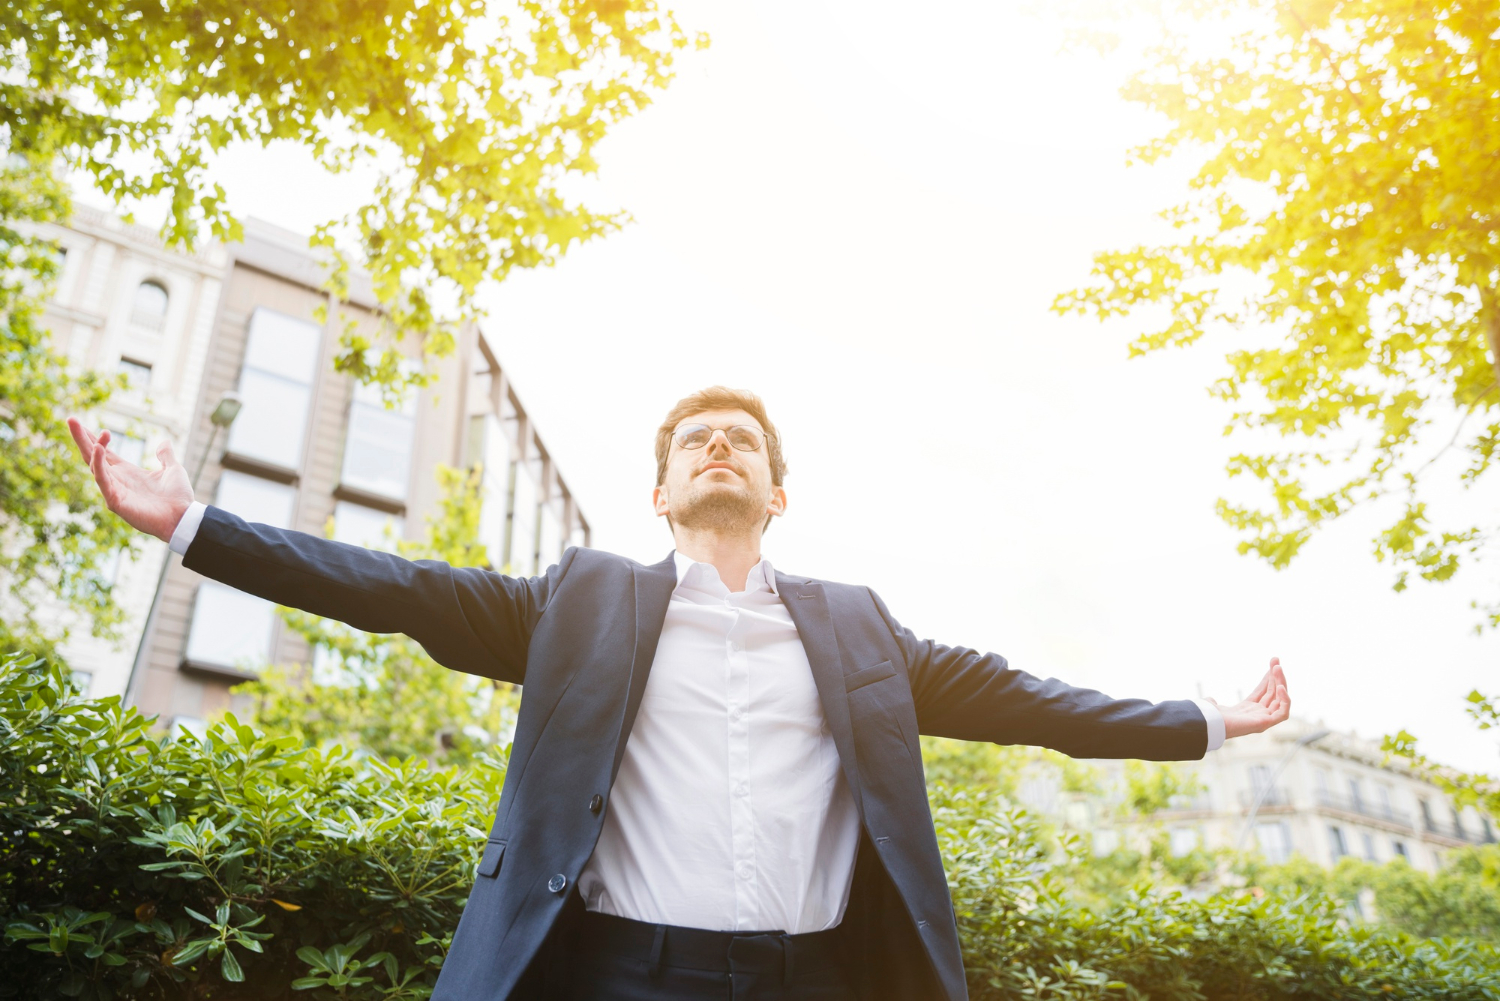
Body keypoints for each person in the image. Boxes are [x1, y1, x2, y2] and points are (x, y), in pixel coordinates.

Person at [67, 386, 1290, 1001]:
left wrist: (1209, 720)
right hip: (616, 974)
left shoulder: (857, 624)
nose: (718, 447)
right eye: (693, 440)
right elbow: (394, 585)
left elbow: (1024, 697)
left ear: (777, 491)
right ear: (657, 492)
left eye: (740, 441)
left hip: (817, 975)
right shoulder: (583, 601)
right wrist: (193, 525)